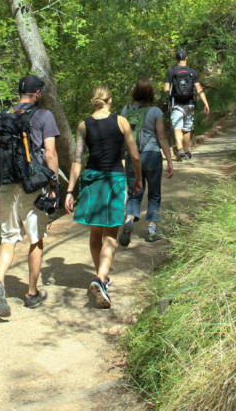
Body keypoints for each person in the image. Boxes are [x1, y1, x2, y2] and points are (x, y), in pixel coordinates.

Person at [0, 74, 60, 318]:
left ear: (20, 94)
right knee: (35, 238)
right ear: (37, 94)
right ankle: (31, 293)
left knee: (8, 237)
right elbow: (49, 153)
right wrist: (54, 182)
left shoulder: (2, 117)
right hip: (33, 184)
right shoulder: (43, 115)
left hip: (7, 181)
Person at [64, 84, 143, 308]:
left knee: (95, 234)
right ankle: (100, 278)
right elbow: (134, 155)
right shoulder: (121, 122)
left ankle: (102, 277)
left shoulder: (83, 126)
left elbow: (77, 160)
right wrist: (137, 179)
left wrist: (70, 190)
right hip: (114, 180)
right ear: (110, 100)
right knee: (110, 235)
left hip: (92, 181)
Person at [118, 79, 174, 245]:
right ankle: (151, 231)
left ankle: (129, 220)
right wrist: (169, 160)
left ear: (135, 93)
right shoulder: (156, 111)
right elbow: (162, 136)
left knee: (134, 192)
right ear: (150, 94)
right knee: (154, 193)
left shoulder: (125, 110)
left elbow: (119, 134)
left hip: (132, 156)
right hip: (152, 155)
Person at [163, 49, 210, 161]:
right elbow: (199, 89)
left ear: (176, 59)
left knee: (177, 127)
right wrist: (206, 104)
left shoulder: (171, 71)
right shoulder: (192, 72)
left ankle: (179, 149)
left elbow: (166, 89)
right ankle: (186, 151)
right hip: (189, 104)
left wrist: (173, 93)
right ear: (186, 58)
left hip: (177, 104)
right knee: (187, 128)